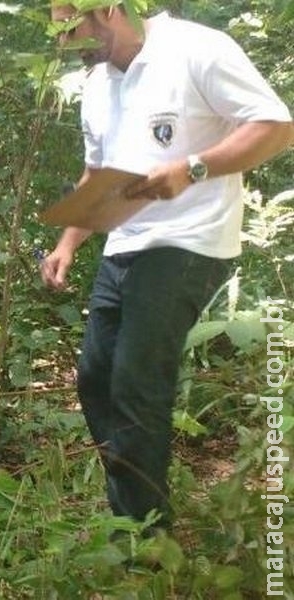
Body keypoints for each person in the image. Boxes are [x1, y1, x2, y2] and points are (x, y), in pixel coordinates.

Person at [41, 3, 294, 530]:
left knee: (136, 380)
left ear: (109, 9)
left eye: (73, 28)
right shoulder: (97, 84)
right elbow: (96, 175)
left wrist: (195, 167)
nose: (68, 44)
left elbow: (274, 125)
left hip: (190, 240)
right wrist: (68, 242)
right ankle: (133, 505)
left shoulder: (196, 49)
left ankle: (145, 539)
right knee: (95, 377)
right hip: (124, 242)